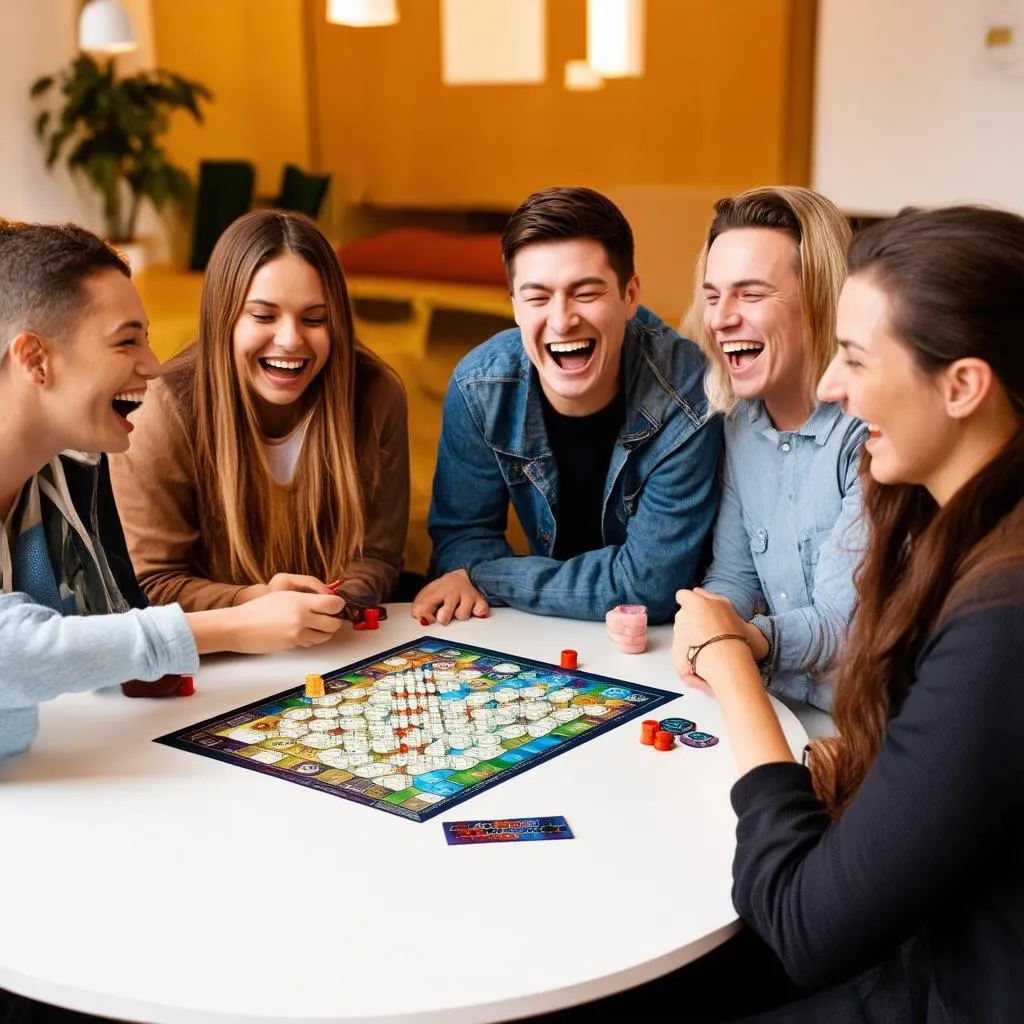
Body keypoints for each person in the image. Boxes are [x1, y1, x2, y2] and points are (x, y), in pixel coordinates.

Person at [673, 206, 1024, 1021]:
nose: (833, 386)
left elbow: (804, 926)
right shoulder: (961, 533)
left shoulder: (1000, 618)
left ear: (963, 385)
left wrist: (732, 660)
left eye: (856, 358)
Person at [0, 220, 345, 766]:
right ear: (36, 360)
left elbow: (98, 626)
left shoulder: (72, 471)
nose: (154, 366)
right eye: (126, 341)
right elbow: (12, 655)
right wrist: (231, 625)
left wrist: (247, 600)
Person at [412, 186, 722, 625]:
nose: (561, 320)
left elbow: (648, 586)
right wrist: (473, 570)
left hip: (660, 642)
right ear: (515, 306)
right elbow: (461, 538)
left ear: (630, 296)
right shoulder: (479, 387)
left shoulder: (689, 392)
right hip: (546, 632)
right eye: (537, 297)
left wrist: (486, 577)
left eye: (586, 293)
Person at [109, 210, 410, 613]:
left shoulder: (377, 394)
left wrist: (339, 602)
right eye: (263, 316)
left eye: (315, 319)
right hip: (221, 653)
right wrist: (256, 602)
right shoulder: (164, 408)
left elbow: (377, 555)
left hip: (338, 638)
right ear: (223, 319)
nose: (290, 339)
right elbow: (151, 583)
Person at [682, 186, 867, 710]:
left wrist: (735, 639)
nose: (720, 319)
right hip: (781, 704)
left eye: (751, 294)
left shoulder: (872, 432)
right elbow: (734, 575)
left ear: (821, 297)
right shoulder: (739, 424)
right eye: (713, 295)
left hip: (864, 728)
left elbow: (842, 624)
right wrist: (704, 618)